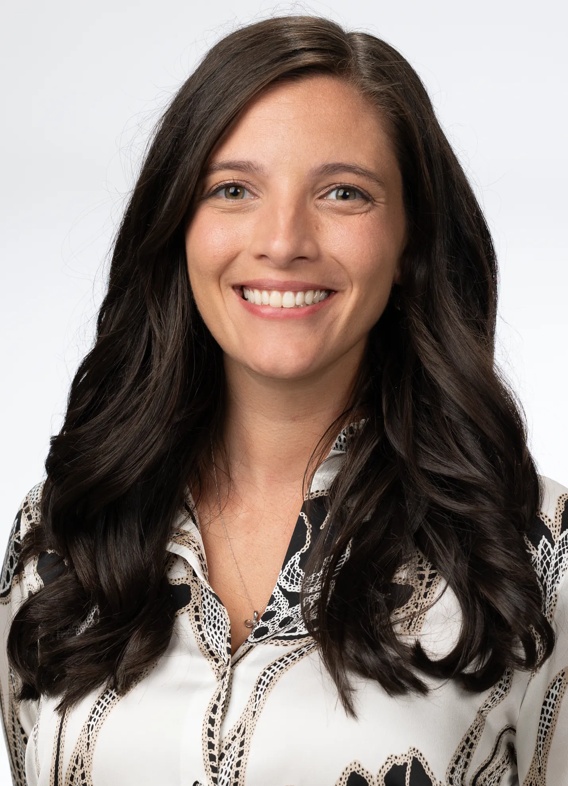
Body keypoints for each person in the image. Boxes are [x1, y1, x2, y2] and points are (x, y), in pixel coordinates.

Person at [1, 14, 566, 786]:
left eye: (344, 193)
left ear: (411, 242)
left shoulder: (534, 554)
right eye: (233, 189)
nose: (283, 239)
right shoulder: (62, 532)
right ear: (178, 228)